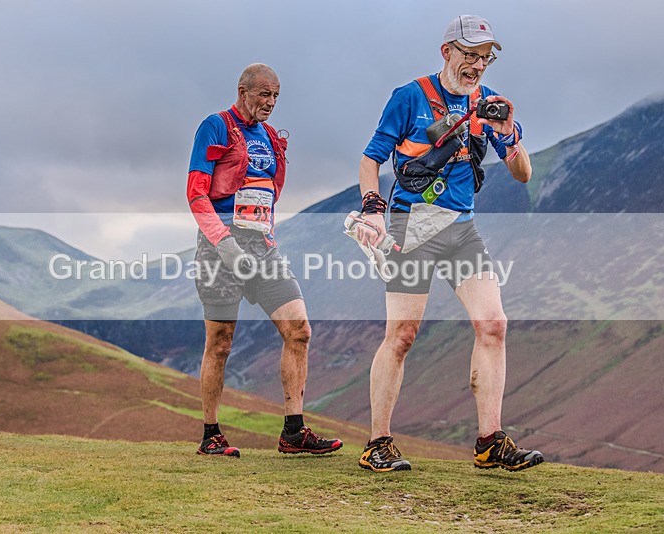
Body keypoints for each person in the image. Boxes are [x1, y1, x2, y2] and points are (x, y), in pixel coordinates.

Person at [355, 16, 544, 472]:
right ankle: (377, 443)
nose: (476, 65)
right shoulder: (409, 97)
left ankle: (489, 442)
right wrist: (372, 207)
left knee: (493, 324)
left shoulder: (489, 105)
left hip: (461, 229)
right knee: (401, 335)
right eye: (468, 55)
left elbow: (523, 176)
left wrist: (509, 137)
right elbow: (370, 159)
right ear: (446, 52)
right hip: (411, 225)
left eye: (484, 57)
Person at [186, 63, 343, 458]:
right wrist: (223, 243)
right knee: (220, 343)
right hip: (219, 248)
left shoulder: (271, 136)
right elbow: (196, 193)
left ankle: (294, 431)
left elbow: (269, 191)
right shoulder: (216, 126)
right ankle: (211, 435)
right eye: (263, 95)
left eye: (275, 96)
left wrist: (266, 233)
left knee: (300, 330)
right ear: (243, 91)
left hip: (262, 247)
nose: (270, 103)